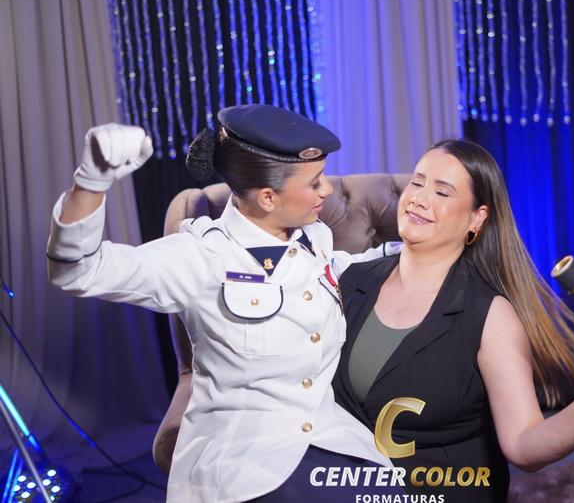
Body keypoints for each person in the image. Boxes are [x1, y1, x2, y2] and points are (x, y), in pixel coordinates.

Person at [46, 105, 403, 502]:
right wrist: (91, 182)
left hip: (325, 436)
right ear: (268, 198)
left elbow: (334, 269)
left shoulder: (313, 237)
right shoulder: (200, 257)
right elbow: (77, 271)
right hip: (243, 459)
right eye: (315, 182)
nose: (327, 191)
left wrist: (407, 252)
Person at [332, 139, 574, 502]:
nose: (419, 198)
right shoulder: (349, 282)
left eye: (442, 191)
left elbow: (523, 445)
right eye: (417, 182)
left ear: (476, 219)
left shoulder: (490, 316)